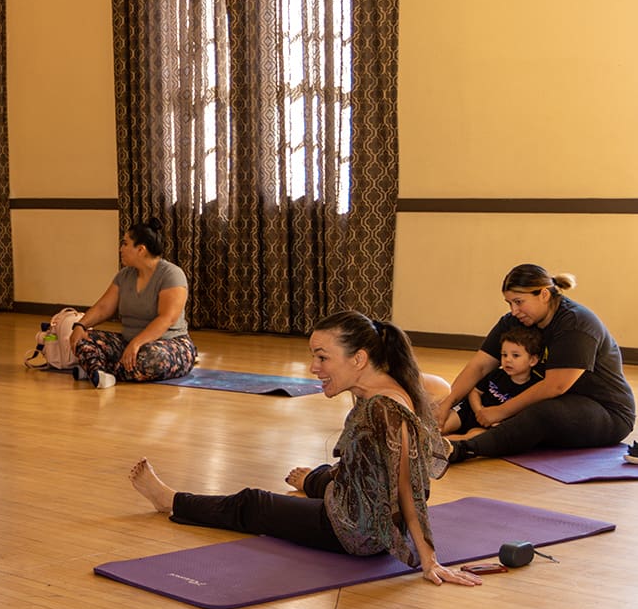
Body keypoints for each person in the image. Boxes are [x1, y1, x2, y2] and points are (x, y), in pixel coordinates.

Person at [126, 311, 482, 587]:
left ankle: (169, 500)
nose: (314, 368)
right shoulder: (376, 389)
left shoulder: (385, 409)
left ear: (358, 359)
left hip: (354, 532)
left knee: (253, 503)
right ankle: (313, 482)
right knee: (328, 474)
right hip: (361, 506)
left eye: (323, 358)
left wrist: (428, 559)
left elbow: (408, 487)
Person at [435, 265, 635, 462]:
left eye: (519, 302)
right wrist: (447, 403)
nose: (514, 310)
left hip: (605, 411)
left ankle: (461, 449)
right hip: (555, 399)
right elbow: (480, 366)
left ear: (544, 295)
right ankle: (428, 435)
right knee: (481, 396)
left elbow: (555, 386)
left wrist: (500, 411)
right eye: (509, 303)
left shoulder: (576, 323)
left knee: (538, 414)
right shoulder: (515, 320)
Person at [68, 218, 196, 388]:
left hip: (170, 343)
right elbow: (103, 308)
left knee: (151, 359)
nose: (121, 249)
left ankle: (95, 369)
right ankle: (101, 372)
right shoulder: (124, 275)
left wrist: (137, 343)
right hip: (128, 342)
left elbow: (167, 318)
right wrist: (80, 326)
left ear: (141, 249)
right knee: (84, 340)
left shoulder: (171, 274)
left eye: (125, 244)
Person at [440, 326, 542, 437]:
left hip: (491, 425)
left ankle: (443, 444)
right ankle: (428, 439)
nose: (508, 359)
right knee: (442, 425)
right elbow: (475, 392)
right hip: (470, 412)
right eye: (504, 355)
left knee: (473, 436)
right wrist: (479, 411)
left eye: (515, 356)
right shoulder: (496, 374)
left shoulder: (535, 388)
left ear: (532, 360)